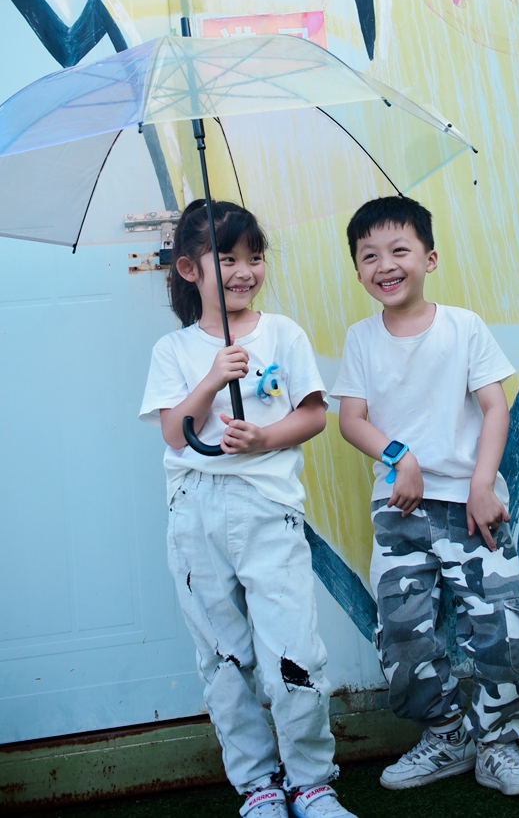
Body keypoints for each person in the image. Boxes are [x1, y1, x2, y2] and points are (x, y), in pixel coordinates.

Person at [140, 199, 355, 818]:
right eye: (226, 258)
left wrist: (264, 438)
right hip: (195, 516)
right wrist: (211, 378)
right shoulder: (173, 351)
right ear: (189, 269)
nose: (244, 270)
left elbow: (313, 413)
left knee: (294, 649)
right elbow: (175, 434)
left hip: (268, 509)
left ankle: (312, 781)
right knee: (224, 654)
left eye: (254, 257)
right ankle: (258, 786)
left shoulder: (283, 333)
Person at [332, 196, 519, 797]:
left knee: (502, 627)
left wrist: (482, 485)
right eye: (369, 255)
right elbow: (352, 420)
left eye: (399, 250)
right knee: (403, 636)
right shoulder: (360, 339)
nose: (385, 264)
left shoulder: (463, 327)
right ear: (358, 271)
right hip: (400, 510)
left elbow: (494, 407)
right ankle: (447, 736)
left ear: (429, 257)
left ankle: (499, 748)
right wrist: (398, 458)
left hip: (472, 506)